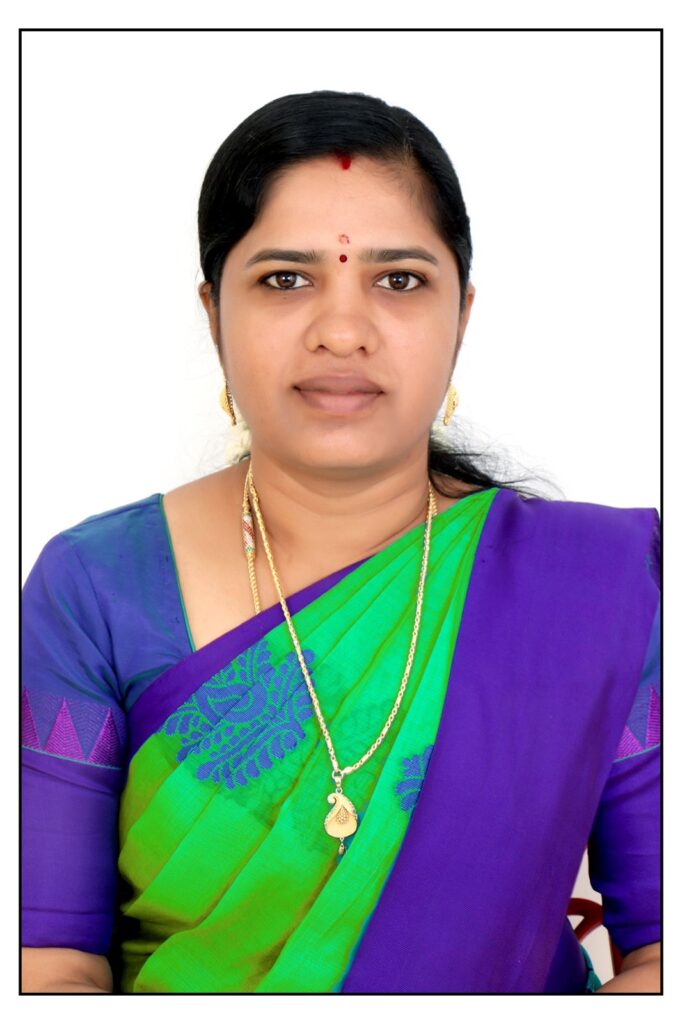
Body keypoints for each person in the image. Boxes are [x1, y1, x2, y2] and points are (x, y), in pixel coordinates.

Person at [21, 90, 660, 994]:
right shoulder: (92, 590)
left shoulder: (596, 587)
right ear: (213, 314)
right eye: (286, 279)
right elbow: (47, 966)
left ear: (462, 315)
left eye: (399, 281)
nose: (343, 332)